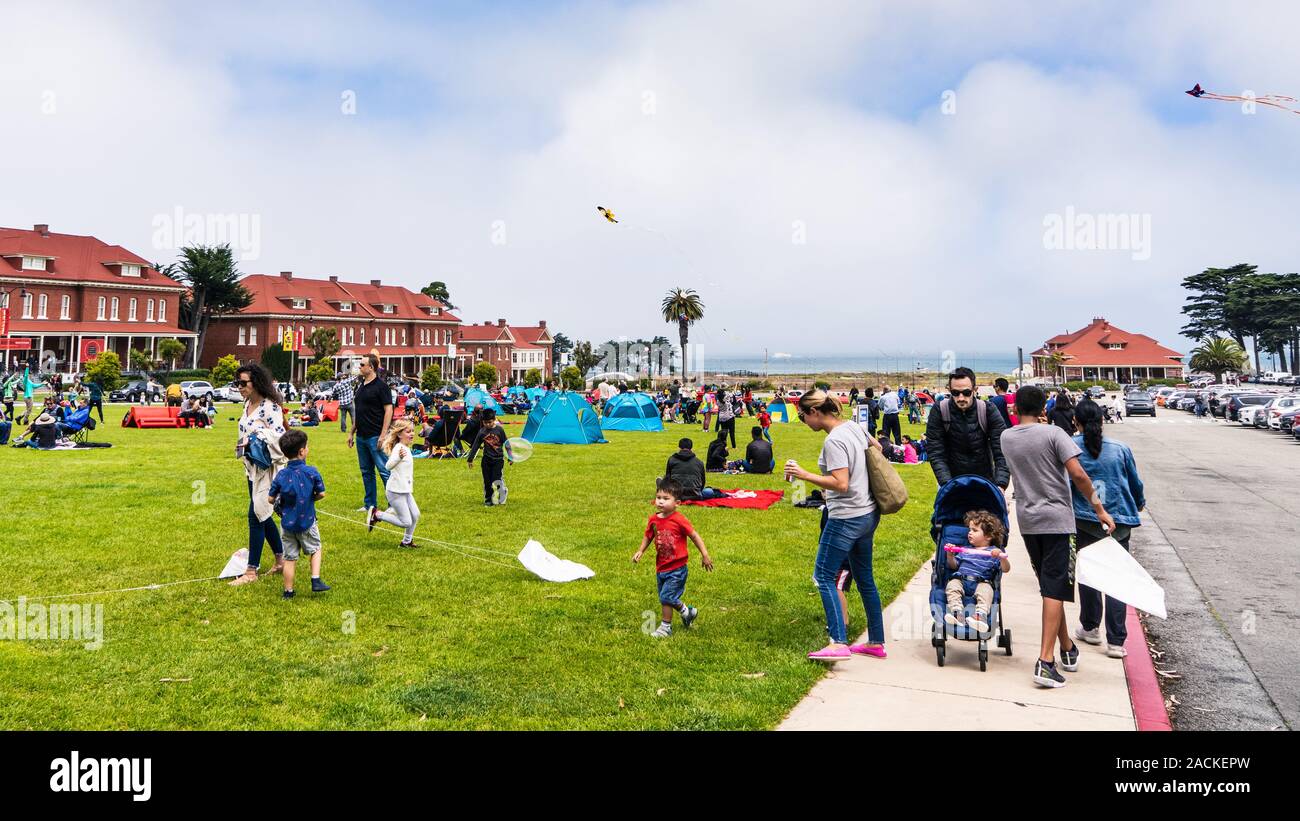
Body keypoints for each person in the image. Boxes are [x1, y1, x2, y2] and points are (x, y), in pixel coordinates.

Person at [999, 385, 1115, 689]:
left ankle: (1066, 647)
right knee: (1055, 587)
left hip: (1028, 520)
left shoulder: (1006, 437)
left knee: (1050, 587)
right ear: (1043, 410)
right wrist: (1099, 508)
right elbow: (1078, 474)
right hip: (1058, 520)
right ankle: (1045, 661)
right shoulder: (1054, 434)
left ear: (1014, 408)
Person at [785, 389, 886, 661]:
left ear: (815, 412)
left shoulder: (834, 441)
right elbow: (877, 449)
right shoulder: (853, 426)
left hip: (846, 517)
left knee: (823, 576)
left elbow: (841, 484)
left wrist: (803, 475)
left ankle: (837, 642)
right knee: (865, 579)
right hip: (867, 513)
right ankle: (876, 641)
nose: (804, 422)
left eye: (803, 416)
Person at [1071, 399, 1145, 659]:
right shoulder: (1120, 449)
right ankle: (1116, 641)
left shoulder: (1071, 448)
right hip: (1121, 520)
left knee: (1090, 573)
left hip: (1086, 520)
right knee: (1117, 578)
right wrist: (1139, 504)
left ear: (1075, 421)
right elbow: (1134, 482)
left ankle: (1090, 627)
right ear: (1102, 420)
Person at [229, 363, 288, 586]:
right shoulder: (247, 404)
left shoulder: (269, 407)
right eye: (238, 383)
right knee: (263, 513)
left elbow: (280, 438)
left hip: (267, 471)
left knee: (255, 515)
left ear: (256, 383)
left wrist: (259, 437)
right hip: (251, 468)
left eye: (243, 383)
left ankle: (251, 571)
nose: (240, 387)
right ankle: (281, 559)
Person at [632, 477, 714, 638]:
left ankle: (665, 628)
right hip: (661, 567)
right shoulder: (654, 520)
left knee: (666, 597)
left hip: (677, 568)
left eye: (665, 499)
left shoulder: (679, 520)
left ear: (677, 503)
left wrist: (705, 554)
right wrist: (641, 551)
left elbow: (694, 536)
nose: (660, 502)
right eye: (658, 498)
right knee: (668, 597)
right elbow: (648, 536)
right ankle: (687, 612)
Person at [268, 429, 330, 598]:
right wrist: (312, 499)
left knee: (290, 558)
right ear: (302, 451)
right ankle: (315, 579)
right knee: (315, 548)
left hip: (287, 524)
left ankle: (288, 591)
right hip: (307, 522)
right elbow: (322, 493)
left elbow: (270, 499)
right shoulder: (311, 471)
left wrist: (282, 501)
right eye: (306, 447)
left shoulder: (281, 474)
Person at [924, 367, 1009, 490]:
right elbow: (936, 451)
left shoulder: (988, 409)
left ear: (975, 390)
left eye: (966, 393)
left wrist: (1000, 485)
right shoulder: (940, 410)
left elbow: (1002, 450)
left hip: (984, 481)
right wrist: (947, 484)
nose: (961, 398)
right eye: (955, 393)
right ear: (949, 390)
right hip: (951, 482)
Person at [942, 510, 1010, 632]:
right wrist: (950, 555)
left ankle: (980, 616)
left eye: (974, 530)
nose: (969, 533)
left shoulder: (993, 552)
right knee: (951, 586)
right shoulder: (965, 550)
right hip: (961, 579)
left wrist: (1001, 557)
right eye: (969, 529)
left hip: (981, 582)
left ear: (988, 536)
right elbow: (953, 566)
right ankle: (957, 613)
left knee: (986, 591)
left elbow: (1006, 569)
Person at [348, 353, 393, 512]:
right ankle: (370, 505)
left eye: (362, 365)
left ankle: (393, 504)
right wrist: (351, 432)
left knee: (384, 470)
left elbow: (388, 410)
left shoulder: (381, 387)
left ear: (371, 367)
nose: (359, 367)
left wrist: (383, 435)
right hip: (361, 436)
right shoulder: (361, 385)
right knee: (366, 471)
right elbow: (359, 411)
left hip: (375, 435)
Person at [370, 418, 421, 547]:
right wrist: (398, 458)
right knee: (406, 522)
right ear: (399, 434)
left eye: (412, 431)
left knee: (415, 515)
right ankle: (377, 515)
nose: (412, 434)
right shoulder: (399, 449)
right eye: (408, 431)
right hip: (395, 491)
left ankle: (406, 542)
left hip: (405, 490)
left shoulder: (406, 448)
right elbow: (387, 466)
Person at [466, 407, 514, 506]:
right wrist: (470, 459)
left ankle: (502, 493)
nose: (488, 424)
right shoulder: (482, 432)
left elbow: (506, 444)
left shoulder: (499, 430)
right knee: (487, 481)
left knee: (496, 480)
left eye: (490, 422)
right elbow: (475, 445)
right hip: (486, 460)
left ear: (494, 420)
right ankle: (488, 499)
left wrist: (510, 457)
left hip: (498, 460)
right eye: (485, 422)